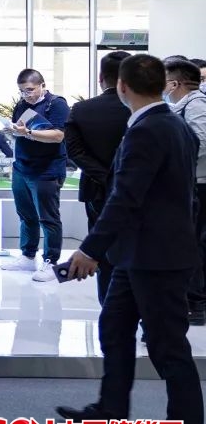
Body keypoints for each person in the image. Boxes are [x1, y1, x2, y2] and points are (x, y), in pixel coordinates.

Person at [60, 55, 204, 424]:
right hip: (139, 253)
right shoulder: (172, 124)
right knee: (114, 326)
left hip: (157, 258)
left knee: (168, 348)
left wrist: (90, 249)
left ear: (122, 86)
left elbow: (125, 198)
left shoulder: (149, 129)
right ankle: (111, 409)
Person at [63, 51, 131, 305]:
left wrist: (105, 177)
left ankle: (109, 306)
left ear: (101, 77)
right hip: (140, 192)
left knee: (102, 250)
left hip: (96, 189)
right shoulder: (143, 111)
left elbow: (74, 151)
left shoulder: (82, 109)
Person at [1, 69, 70, 282]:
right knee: (26, 215)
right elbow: (19, 130)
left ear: (42, 85)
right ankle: (28, 255)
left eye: (30, 90)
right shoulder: (21, 105)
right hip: (22, 167)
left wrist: (29, 133)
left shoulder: (56, 104)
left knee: (48, 218)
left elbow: (58, 135)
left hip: (46, 169)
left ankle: (51, 261)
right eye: (22, 91)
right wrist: (12, 131)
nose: (26, 95)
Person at [164, 58, 206, 326]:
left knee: (194, 243)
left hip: (199, 182)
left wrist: (174, 161)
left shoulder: (197, 104)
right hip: (192, 180)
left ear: (175, 83)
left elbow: (200, 141)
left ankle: (196, 303)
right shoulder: (184, 104)